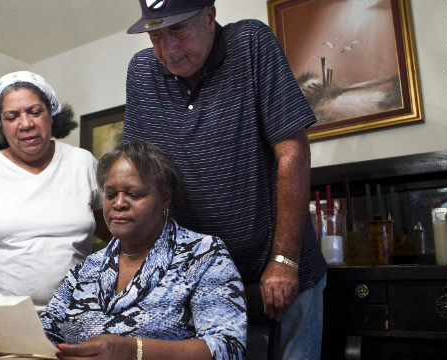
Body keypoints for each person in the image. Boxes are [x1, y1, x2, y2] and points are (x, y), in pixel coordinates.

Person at [123, 1, 328, 358]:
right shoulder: (142, 71)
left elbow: (292, 151)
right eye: (156, 36)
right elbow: (139, 174)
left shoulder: (250, 43)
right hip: (202, 280)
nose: (167, 51)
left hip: (277, 268)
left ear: (209, 15)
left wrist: (285, 259)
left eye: (178, 31)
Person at [0, 140, 248, 360]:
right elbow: (44, 337)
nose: (118, 203)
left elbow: (228, 347)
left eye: (134, 194)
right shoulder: (86, 270)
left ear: (165, 197)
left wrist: (134, 351)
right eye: (110, 194)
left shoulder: (204, 255)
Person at [0, 71, 111, 357]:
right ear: (0, 125)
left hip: (69, 321)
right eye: (11, 116)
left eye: (34, 111)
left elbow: (115, 232)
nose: (25, 124)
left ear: (52, 114)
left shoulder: (82, 163)